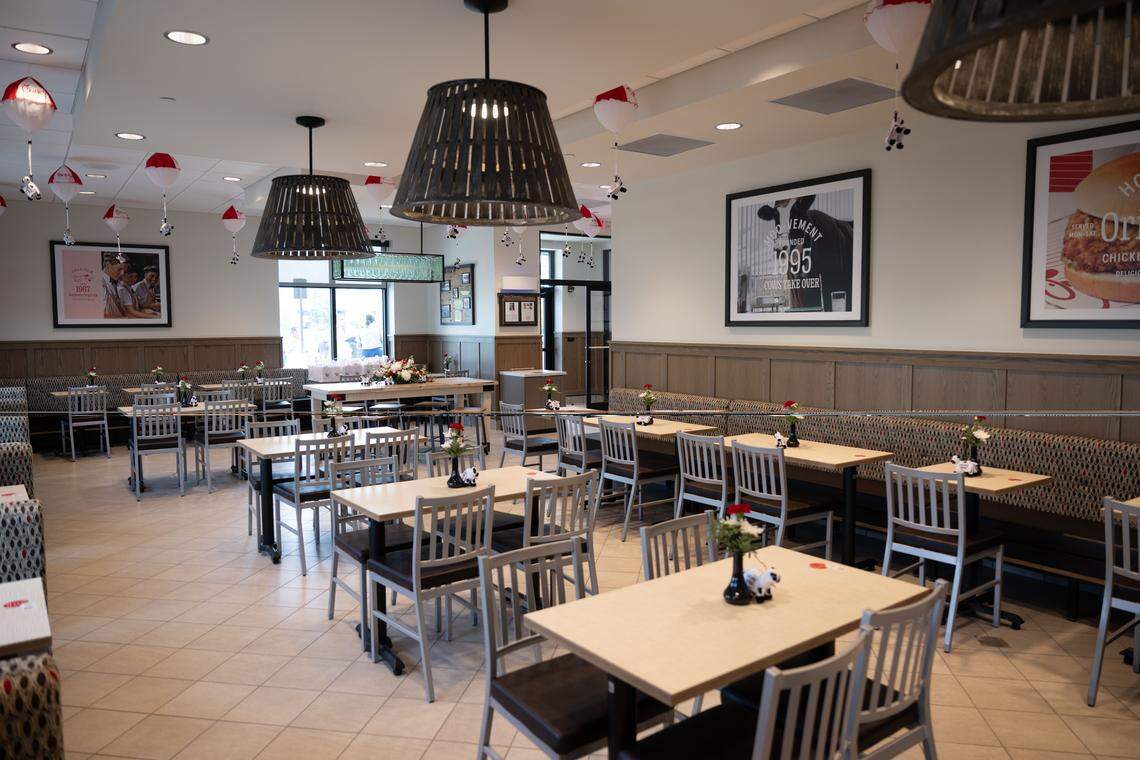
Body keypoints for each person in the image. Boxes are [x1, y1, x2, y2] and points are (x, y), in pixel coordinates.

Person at [102, 253, 128, 318]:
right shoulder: (99, 283)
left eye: (124, 271)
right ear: (108, 265)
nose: (122, 274)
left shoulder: (115, 282)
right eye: (119, 269)